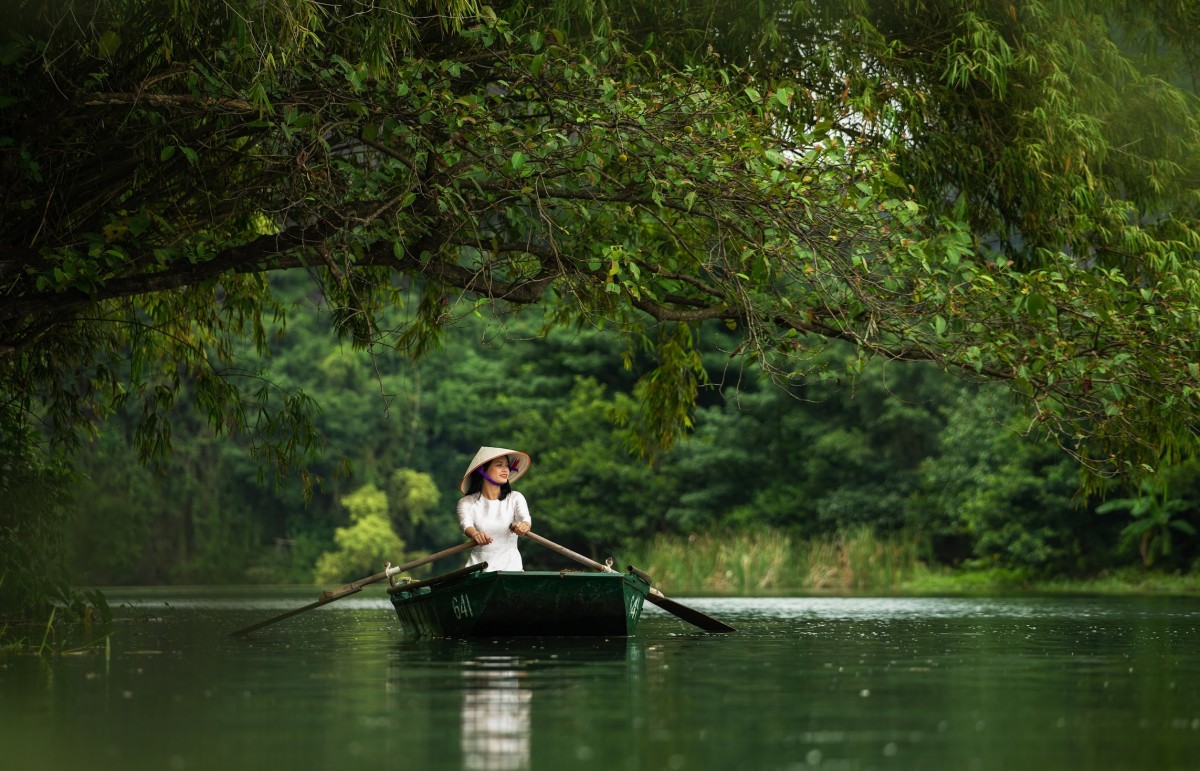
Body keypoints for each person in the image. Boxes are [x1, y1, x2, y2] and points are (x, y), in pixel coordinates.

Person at [456, 446, 532, 572]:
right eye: (499, 465)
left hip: (511, 570)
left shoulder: (515, 498)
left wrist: (524, 525)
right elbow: (465, 524)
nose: (505, 469)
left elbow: (525, 519)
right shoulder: (467, 503)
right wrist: (475, 534)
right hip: (478, 572)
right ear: (482, 470)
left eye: (507, 465)